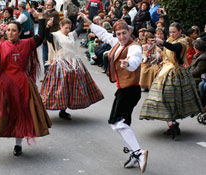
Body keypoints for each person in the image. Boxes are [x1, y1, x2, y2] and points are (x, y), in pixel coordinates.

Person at [0, 11, 52, 157]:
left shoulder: (26, 43)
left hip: (22, 85)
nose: (10, 33)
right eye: (8, 30)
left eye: (14, 30)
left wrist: (41, 18)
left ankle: (18, 145)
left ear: (19, 32)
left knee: (21, 114)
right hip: (3, 86)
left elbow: (40, 37)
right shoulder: (0, 46)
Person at [80, 13, 148, 173]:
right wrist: (90, 23)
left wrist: (128, 63)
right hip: (124, 89)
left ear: (129, 32)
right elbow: (104, 34)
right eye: (119, 34)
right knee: (124, 123)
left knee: (117, 122)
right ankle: (133, 154)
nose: (122, 36)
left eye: (124, 33)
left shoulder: (134, 46)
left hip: (130, 90)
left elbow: (136, 59)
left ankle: (138, 152)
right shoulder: (117, 43)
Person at [140, 22, 203, 139]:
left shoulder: (183, 41)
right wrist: (159, 45)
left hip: (176, 73)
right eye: (170, 32)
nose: (172, 34)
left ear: (180, 31)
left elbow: (175, 48)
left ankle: (173, 124)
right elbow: (167, 51)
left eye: (174, 32)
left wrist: (163, 43)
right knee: (160, 99)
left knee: (171, 100)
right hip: (164, 72)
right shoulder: (170, 39)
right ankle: (171, 125)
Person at [40, 17, 104, 120]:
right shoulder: (56, 36)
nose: (68, 30)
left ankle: (63, 110)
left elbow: (79, 28)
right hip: (60, 63)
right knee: (57, 87)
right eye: (66, 28)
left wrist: (82, 18)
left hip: (73, 63)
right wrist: (47, 26)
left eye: (69, 28)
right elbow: (46, 35)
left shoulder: (72, 35)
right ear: (61, 26)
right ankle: (44, 108)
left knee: (70, 88)